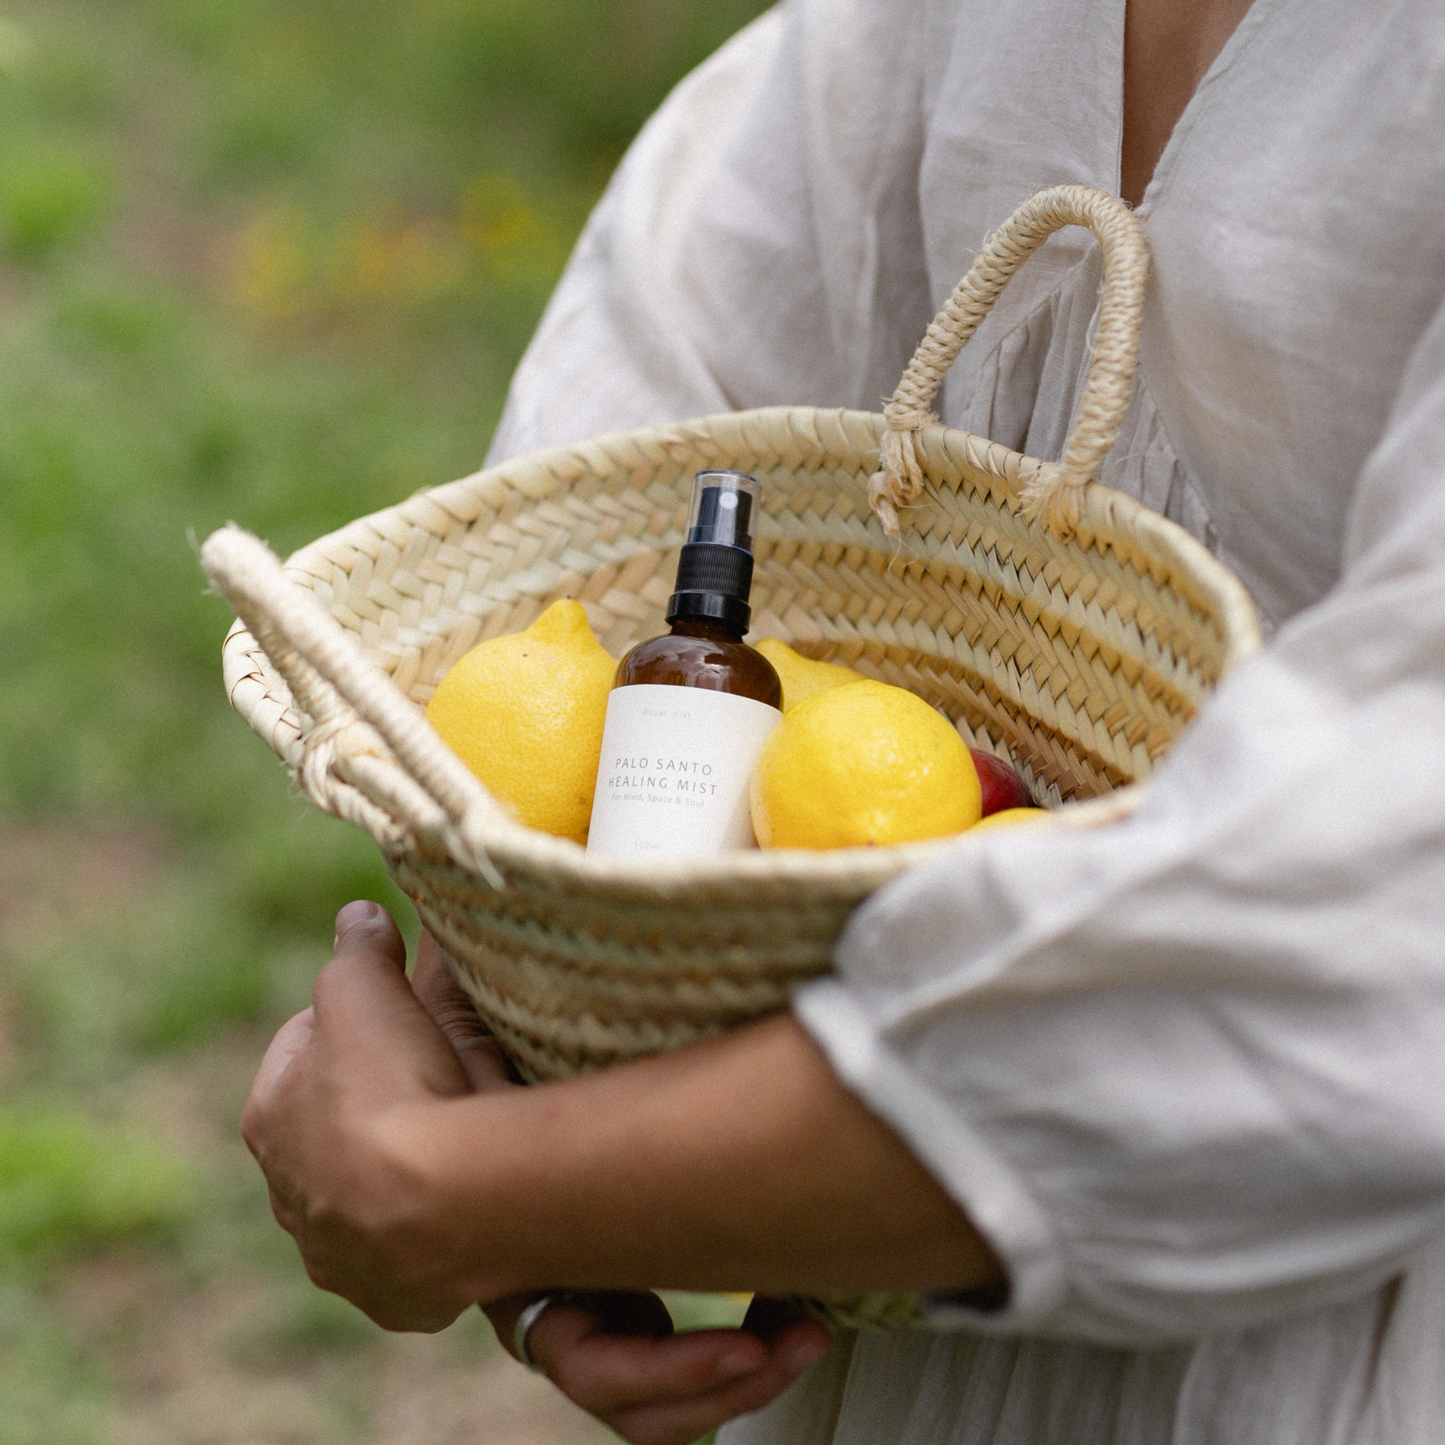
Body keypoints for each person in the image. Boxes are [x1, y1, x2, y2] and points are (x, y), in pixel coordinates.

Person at [240, 0, 1445, 1441]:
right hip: (878, 1316)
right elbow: (669, 371)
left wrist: (470, 1188)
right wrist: (514, 1002)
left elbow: (1376, 929)